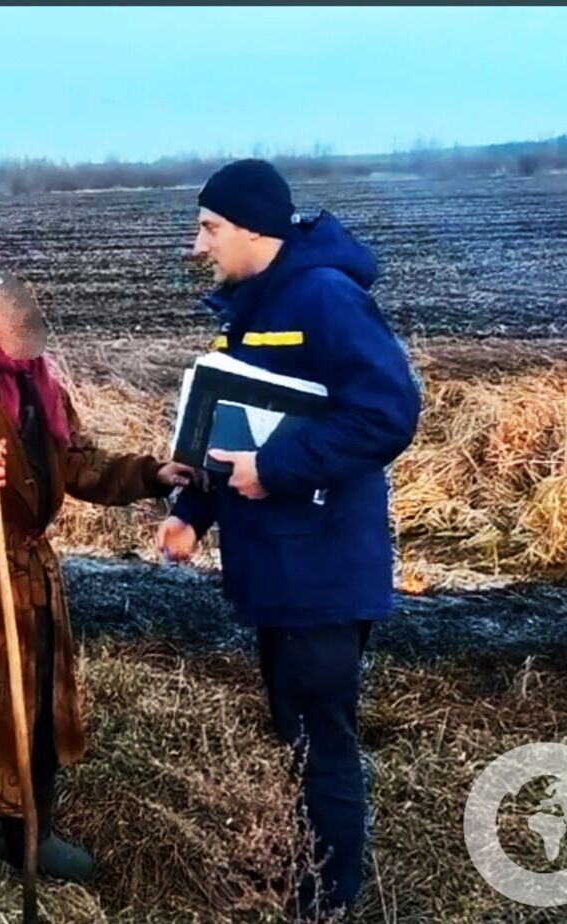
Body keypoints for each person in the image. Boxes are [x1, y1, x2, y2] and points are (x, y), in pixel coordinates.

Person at [0, 257, 197, 882]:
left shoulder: (38, 390)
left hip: (25, 584)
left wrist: (149, 474)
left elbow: (79, 464)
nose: (18, 320)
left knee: (35, 710)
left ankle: (30, 836)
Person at [156, 159, 421, 914]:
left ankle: (329, 902)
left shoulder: (326, 299)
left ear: (251, 229)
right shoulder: (250, 307)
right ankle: (305, 863)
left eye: (208, 227)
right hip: (274, 567)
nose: (197, 243)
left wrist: (275, 471)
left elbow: (388, 414)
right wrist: (192, 513)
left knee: (322, 739)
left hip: (325, 567)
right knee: (293, 724)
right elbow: (237, 425)